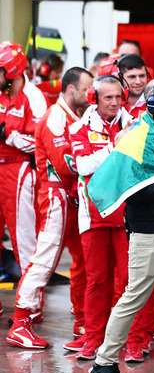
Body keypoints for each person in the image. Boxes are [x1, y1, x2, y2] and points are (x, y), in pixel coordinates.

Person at [87, 78, 154, 373]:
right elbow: (132, 189)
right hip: (148, 233)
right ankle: (103, 362)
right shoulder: (138, 136)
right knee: (134, 298)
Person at [7, 67, 91, 349]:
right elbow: (66, 165)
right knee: (44, 259)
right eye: (86, 90)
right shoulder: (55, 117)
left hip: (72, 198)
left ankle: (83, 319)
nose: (90, 95)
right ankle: (20, 322)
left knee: (83, 261)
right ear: (71, 90)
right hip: (56, 197)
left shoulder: (74, 116)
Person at [68, 74, 134, 360]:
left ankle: (126, 340)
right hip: (92, 214)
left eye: (119, 97)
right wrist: (114, 147)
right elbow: (82, 165)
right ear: (94, 98)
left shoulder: (135, 124)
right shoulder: (79, 127)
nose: (115, 102)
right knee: (96, 280)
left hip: (127, 213)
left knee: (126, 281)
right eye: (108, 97)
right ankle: (94, 337)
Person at [0, 42, 47, 301]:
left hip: (18, 171)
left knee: (24, 241)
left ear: (11, 70)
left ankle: (30, 305)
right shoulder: (1, 93)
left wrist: (10, 136)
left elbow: (41, 143)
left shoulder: (33, 97)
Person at [118, 54, 150, 119]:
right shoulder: (113, 102)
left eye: (142, 76)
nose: (138, 82)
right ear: (121, 78)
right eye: (132, 77)